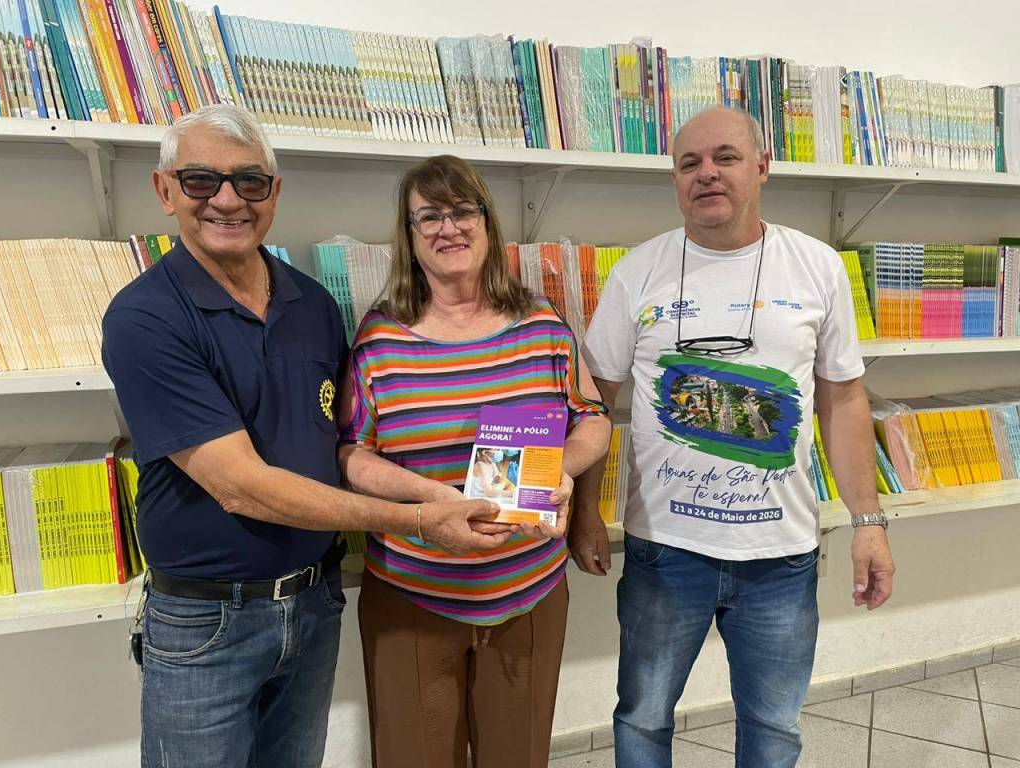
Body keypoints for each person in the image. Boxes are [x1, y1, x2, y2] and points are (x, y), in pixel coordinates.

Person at [101, 105, 508, 768]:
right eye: (201, 180)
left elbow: (344, 445)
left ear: (274, 192)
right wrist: (419, 519)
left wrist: (446, 489)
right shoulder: (145, 318)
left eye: (249, 181)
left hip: (314, 604)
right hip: (208, 621)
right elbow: (241, 487)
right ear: (165, 190)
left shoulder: (313, 304)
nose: (227, 200)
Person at [572, 107, 896, 768]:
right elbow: (593, 401)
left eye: (725, 157)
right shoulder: (637, 271)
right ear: (674, 178)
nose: (707, 174)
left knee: (774, 729)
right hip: (665, 552)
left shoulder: (817, 266)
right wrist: (585, 513)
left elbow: (843, 400)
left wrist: (869, 523)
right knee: (642, 718)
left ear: (763, 166)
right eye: (689, 163)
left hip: (780, 557)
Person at [338, 155, 611, 768]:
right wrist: (433, 501)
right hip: (412, 595)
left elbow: (592, 416)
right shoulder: (379, 337)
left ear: (487, 222)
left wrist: (563, 468)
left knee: (518, 757)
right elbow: (353, 453)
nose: (449, 227)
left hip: (529, 591)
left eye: (464, 211)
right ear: (409, 235)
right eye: (429, 216)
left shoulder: (541, 323)